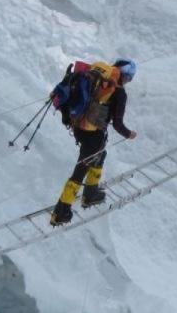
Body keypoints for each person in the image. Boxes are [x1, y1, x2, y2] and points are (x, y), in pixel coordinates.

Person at [50, 59, 138, 226]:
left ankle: (90, 193)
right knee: (81, 168)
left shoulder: (96, 79)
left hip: (78, 127)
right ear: (125, 76)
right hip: (94, 135)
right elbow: (118, 124)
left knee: (100, 155)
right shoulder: (119, 93)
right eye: (129, 78)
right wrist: (129, 134)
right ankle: (61, 212)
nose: (128, 82)